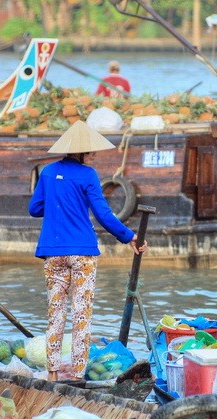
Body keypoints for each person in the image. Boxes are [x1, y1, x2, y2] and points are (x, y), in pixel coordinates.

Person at [28, 120, 147, 382]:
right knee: (81, 314)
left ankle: (52, 373)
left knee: (55, 314)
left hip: (52, 253)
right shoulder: (88, 175)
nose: (94, 156)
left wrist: (59, 201)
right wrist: (129, 236)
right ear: (78, 152)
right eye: (91, 152)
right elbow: (103, 214)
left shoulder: (47, 172)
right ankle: (79, 373)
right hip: (82, 253)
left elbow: (34, 209)